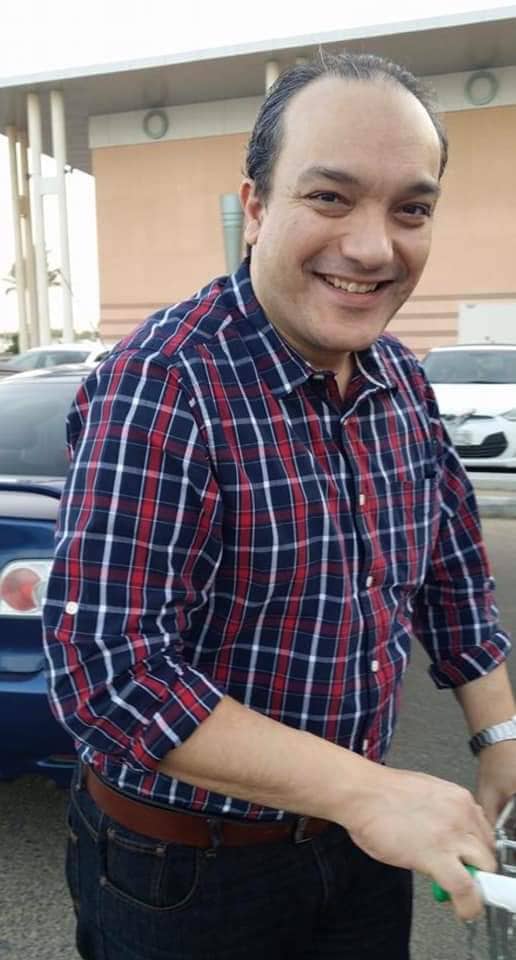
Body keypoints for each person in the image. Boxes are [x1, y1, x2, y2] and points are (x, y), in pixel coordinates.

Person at [42, 51, 516, 960]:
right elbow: (110, 674)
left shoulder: (399, 378)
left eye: (411, 209)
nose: (374, 247)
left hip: (358, 845)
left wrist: (499, 736)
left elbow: (452, 566)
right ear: (256, 206)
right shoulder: (164, 385)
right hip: (185, 875)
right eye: (330, 197)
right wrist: (370, 791)